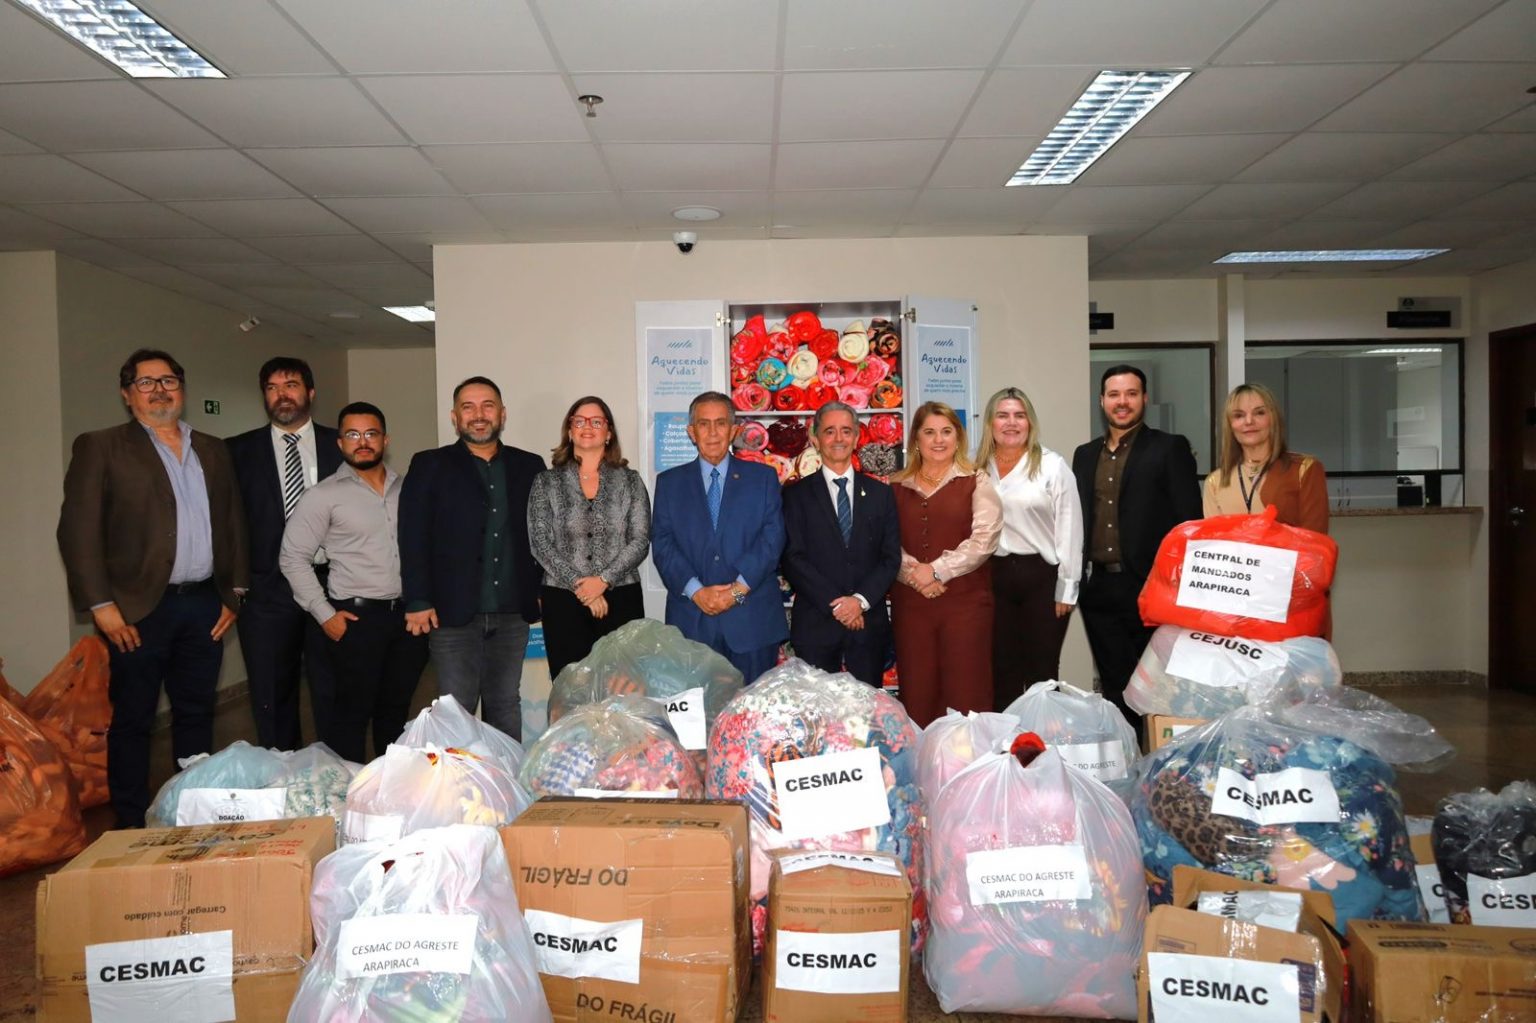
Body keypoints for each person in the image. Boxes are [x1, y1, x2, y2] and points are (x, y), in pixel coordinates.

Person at [57, 349, 248, 828]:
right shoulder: (101, 446)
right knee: (134, 719)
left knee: (196, 713)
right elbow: (77, 531)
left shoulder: (212, 449)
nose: (159, 390)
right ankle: (128, 823)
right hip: (136, 609)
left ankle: (189, 812)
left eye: (168, 381)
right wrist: (101, 605)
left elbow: (234, 523)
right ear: (127, 395)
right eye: (146, 382)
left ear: (182, 389)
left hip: (205, 603)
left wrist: (235, 593)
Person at [400, 377, 544, 740]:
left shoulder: (530, 466)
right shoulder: (429, 465)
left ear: (502, 414)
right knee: (456, 708)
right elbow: (412, 535)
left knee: (505, 703)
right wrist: (417, 599)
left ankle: (506, 775)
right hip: (452, 612)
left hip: (512, 610)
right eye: (468, 407)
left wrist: (541, 587)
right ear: (455, 417)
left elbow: (543, 532)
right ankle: (460, 777)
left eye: (487, 406)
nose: (479, 415)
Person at [280, 402, 426, 763]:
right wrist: (324, 614)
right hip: (355, 620)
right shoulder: (323, 495)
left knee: (396, 712)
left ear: (385, 440)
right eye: (353, 434)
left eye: (371, 433)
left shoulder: (409, 489)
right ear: (340, 442)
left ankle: (390, 786)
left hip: (408, 620)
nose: (363, 442)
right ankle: (349, 791)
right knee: (350, 716)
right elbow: (292, 558)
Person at [1072, 365, 1202, 726]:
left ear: (1144, 399)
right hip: (1099, 588)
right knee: (1114, 683)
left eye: (1131, 394)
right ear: (1102, 401)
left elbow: (1189, 523)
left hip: (1151, 587)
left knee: (1159, 685)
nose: (1122, 402)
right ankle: (1127, 754)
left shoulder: (1170, 448)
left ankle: (1159, 752)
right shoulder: (1085, 455)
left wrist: (1177, 585)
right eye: (1114, 394)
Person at [227, 356, 341, 750]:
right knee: (272, 697)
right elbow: (226, 524)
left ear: (310, 392)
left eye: (290, 385)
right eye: (272, 388)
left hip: (332, 586)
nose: (282, 395)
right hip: (266, 593)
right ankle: (282, 775)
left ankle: (337, 773)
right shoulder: (236, 451)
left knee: (335, 692)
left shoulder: (341, 445)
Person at [651, 391, 787, 683]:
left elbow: (772, 540)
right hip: (692, 622)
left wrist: (736, 592)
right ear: (691, 432)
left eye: (721, 423)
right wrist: (697, 592)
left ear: (734, 430)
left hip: (752, 624)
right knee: (698, 710)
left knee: (753, 710)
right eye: (704, 424)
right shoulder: (669, 483)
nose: (712, 432)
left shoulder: (762, 478)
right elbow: (663, 545)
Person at [889, 401, 1002, 726]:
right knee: (918, 691)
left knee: (967, 690)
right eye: (929, 432)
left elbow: (985, 539)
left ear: (958, 437)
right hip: (912, 606)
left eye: (946, 432)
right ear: (916, 439)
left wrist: (937, 570)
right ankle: (924, 758)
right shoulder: (895, 485)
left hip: (965, 605)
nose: (938, 440)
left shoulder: (977, 480)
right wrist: (914, 575)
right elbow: (884, 542)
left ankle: (969, 758)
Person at [528, 395, 650, 679]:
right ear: (569, 431)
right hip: (563, 600)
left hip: (621, 597)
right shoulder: (546, 482)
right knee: (571, 687)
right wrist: (583, 587)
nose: (587, 427)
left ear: (608, 433)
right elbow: (540, 542)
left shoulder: (630, 481)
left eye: (596, 421)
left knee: (622, 687)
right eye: (579, 421)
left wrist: (603, 580)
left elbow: (640, 539)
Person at [781, 401, 902, 687]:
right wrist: (839, 607)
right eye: (830, 431)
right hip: (816, 625)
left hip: (867, 626)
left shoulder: (881, 494)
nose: (839, 439)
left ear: (857, 438)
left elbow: (890, 558)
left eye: (846, 431)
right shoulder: (795, 495)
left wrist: (859, 602)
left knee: (865, 710)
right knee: (817, 709)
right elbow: (792, 558)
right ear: (816, 439)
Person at [977, 386, 1084, 707]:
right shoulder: (978, 467)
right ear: (990, 423)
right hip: (994, 577)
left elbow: (1070, 528)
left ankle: (1043, 737)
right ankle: (1007, 736)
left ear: (1030, 422)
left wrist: (1067, 588)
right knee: (1001, 669)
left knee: (1042, 671)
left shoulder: (1052, 466)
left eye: (1019, 416)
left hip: (1042, 578)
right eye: (1003, 415)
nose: (1011, 423)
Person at [1204, 382, 1329, 532]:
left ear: (1273, 419)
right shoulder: (1215, 482)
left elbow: (1315, 538)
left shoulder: (1304, 469)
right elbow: (1212, 541)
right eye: (1239, 415)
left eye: (1259, 413)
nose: (1249, 421)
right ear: (1230, 425)